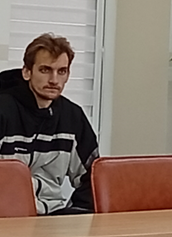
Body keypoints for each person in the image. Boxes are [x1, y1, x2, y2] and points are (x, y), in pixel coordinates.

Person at [0, 33, 100, 214]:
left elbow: (94, 178)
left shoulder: (72, 117)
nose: (54, 80)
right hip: (6, 217)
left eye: (61, 71)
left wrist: (77, 214)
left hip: (52, 216)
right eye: (45, 70)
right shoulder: (4, 111)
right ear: (27, 72)